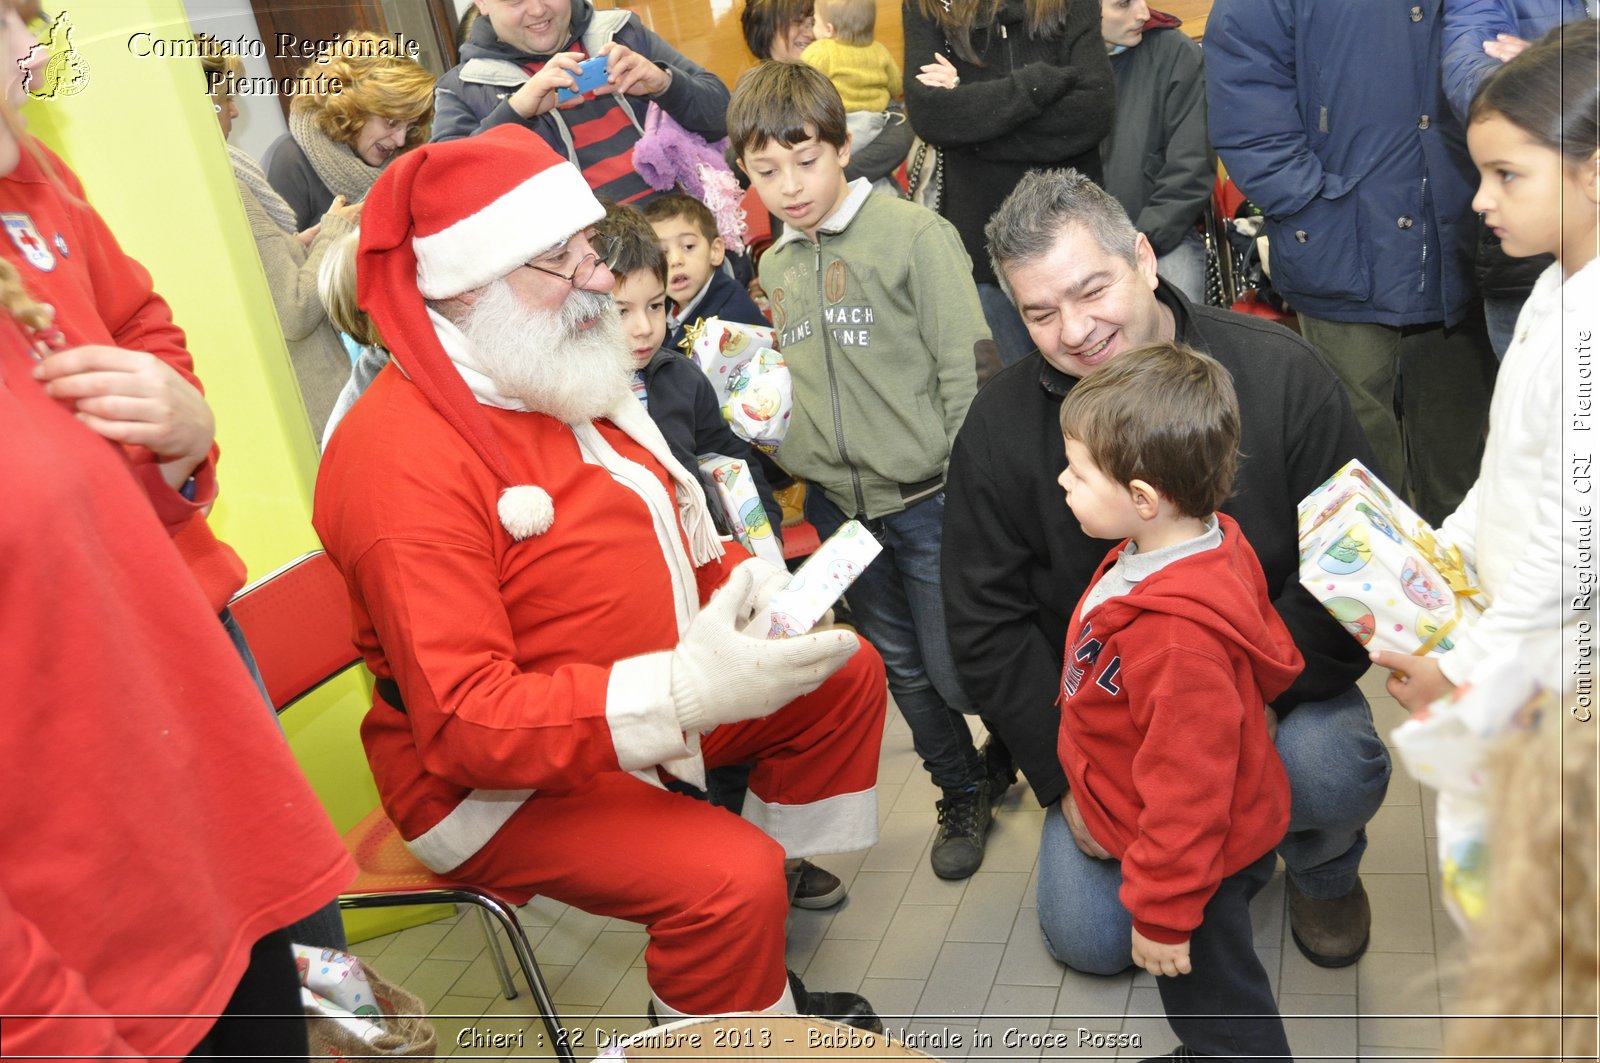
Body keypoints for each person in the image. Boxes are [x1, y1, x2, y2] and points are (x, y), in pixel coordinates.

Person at [313, 123, 889, 1027]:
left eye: (588, 246)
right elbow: (468, 723)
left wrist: (758, 592)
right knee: (724, 880)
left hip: (641, 695)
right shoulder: (397, 463)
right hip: (488, 784)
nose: (598, 276)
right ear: (466, 291)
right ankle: (722, 991)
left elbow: (679, 519)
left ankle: (750, 956)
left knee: (841, 674)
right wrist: (681, 688)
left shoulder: (545, 364)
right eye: (562, 261)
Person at [0, 5, 353, 1056]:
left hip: (188, 659)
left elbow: (149, 329)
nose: (32, 51)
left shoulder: (40, 183)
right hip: (73, 766)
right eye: (6, 23)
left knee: (285, 963)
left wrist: (183, 430)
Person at [944, 169, 1392, 970]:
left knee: (1327, 766)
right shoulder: (1001, 425)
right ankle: (1218, 858)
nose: (1075, 330)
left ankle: (1321, 867)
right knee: (1091, 938)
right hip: (1106, 730)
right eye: (1039, 312)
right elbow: (985, 622)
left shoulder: (1280, 373)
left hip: (1278, 689)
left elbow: (1355, 573)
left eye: (1092, 290)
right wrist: (1062, 775)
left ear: (1145, 259)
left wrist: (1235, 697)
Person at [729, 61, 1003, 880]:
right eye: (765, 171)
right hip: (846, 511)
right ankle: (961, 786)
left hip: (933, 497)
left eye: (805, 160)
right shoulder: (775, 267)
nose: (790, 185)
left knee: (960, 666)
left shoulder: (914, 237)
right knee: (902, 670)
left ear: (843, 146)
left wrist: (975, 491)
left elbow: (968, 373)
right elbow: (803, 390)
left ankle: (1033, 751)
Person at [1052, 341, 1299, 1061]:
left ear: (1142, 498)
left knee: (1216, 1001)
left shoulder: (1175, 641)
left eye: (1077, 471)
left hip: (1194, 864)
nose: (1061, 480)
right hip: (1193, 840)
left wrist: (1163, 914)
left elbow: (1189, 794)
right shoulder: (1196, 542)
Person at [1204, 0, 1499, 527]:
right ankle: (1386, 601)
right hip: (1340, 248)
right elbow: (1248, 106)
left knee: (1463, 466)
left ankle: (1468, 593)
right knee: (1362, 471)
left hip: (1457, 239)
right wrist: (1311, 202)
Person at [1373, 24, 1598, 712]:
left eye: (1507, 175)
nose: (1480, 199)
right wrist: (1446, 549)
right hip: (1518, 645)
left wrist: (1467, 664)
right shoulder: (1552, 286)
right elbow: (1507, 467)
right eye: (1480, 174)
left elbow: (1572, 548)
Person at [903, 0, 1116, 366]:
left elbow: (1093, 110)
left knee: (1105, 397)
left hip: (1073, 240)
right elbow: (931, 115)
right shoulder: (926, 4)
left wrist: (969, 116)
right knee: (1017, 401)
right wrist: (1040, 82)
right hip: (983, 248)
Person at [200, 34, 363, 438]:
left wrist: (300, 244)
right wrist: (334, 230)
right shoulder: (231, 185)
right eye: (225, 100)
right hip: (316, 398)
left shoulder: (216, 179)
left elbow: (265, 274)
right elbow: (294, 310)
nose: (235, 112)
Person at [604, 199, 784, 545]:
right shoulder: (570, 401)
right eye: (620, 311)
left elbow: (733, 457)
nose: (644, 327)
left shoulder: (681, 377)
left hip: (703, 550)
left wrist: (767, 535)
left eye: (656, 306)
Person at [432, 0, 729, 207]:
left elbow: (724, 117)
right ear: (482, 3)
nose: (537, 10)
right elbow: (445, 195)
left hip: (689, 258)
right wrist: (516, 112)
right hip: (582, 285)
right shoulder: (462, 87)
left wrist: (664, 83)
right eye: (515, 0)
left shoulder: (622, 31)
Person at [1442, 0, 1591, 359]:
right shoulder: (1540, 302)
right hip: (1523, 273)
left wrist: (1552, 80)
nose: (1479, 201)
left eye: (1506, 175)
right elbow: (1468, 55)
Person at [1098, 0, 1211, 304]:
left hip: (1163, 238)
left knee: (1173, 346)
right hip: (1080, 253)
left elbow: (1191, 167)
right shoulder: (1054, 64)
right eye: (1124, 4)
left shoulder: (1176, 53)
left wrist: (1138, 245)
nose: (1144, 13)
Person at [265, 32, 435, 231]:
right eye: (391, 122)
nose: (400, 140)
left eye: (410, 126)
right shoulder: (290, 160)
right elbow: (278, 258)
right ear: (353, 107)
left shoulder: (405, 164)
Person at [739, 0, 913, 185]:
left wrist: (832, 176)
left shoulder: (846, 69)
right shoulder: (754, 96)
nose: (809, 32)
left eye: (814, 22)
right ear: (766, 29)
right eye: (798, 22)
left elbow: (900, 135)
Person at [641, 192, 768, 350]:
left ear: (715, 252)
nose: (675, 261)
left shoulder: (732, 317)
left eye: (688, 246)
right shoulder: (659, 308)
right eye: (662, 253)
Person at [800, 0, 903, 164]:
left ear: (828, 29)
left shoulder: (820, 50)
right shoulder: (880, 51)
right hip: (875, 126)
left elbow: (800, 83)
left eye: (814, 22)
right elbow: (897, 86)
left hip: (839, 125)